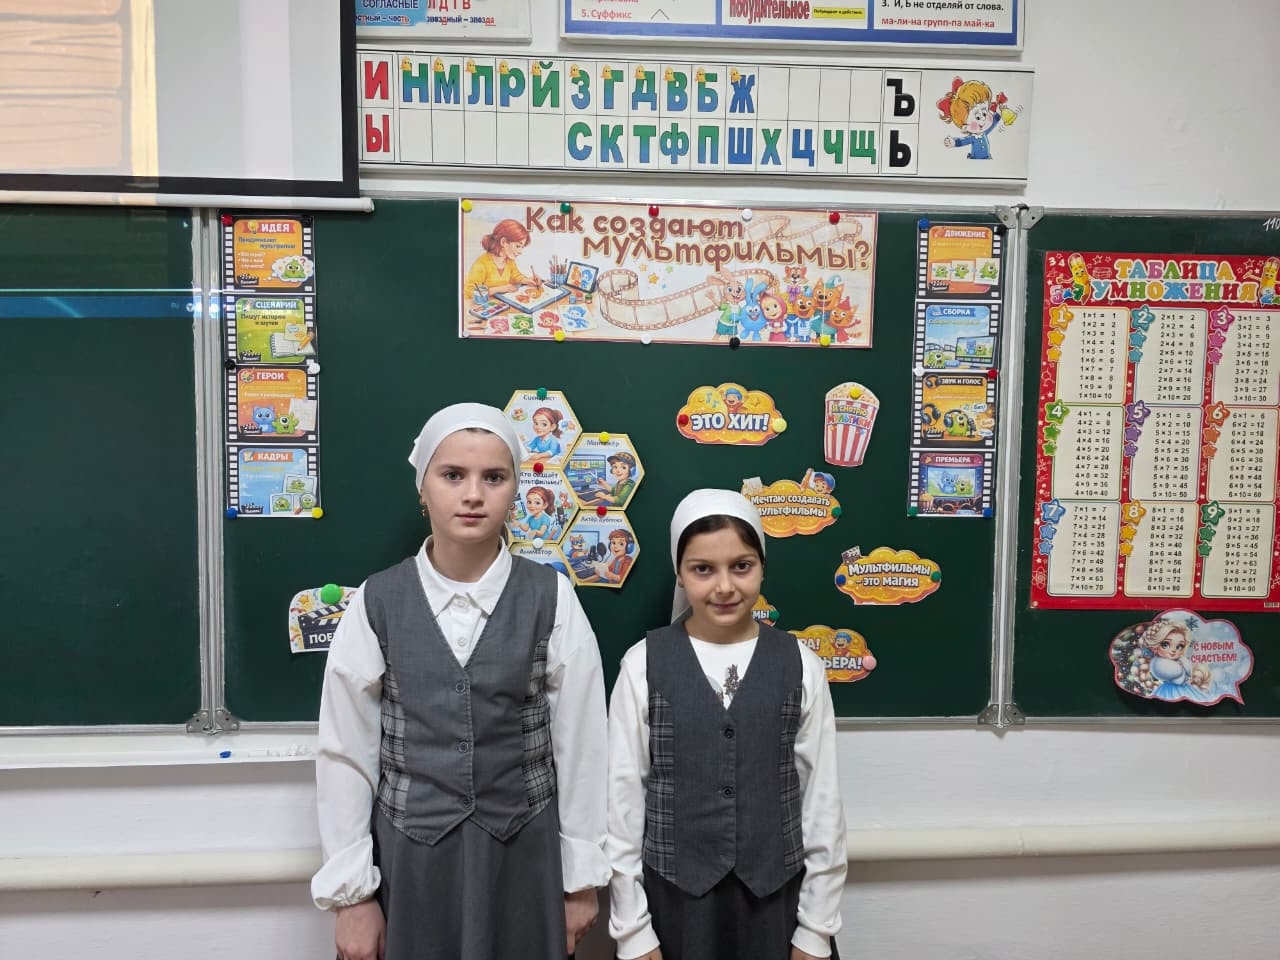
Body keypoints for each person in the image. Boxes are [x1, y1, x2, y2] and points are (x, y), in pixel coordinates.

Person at [312, 402, 609, 960]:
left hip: (524, 855)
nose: (473, 494)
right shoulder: (377, 602)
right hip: (411, 860)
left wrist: (581, 880)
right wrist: (353, 897)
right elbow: (345, 753)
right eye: (453, 475)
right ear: (422, 489)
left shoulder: (552, 599)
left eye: (493, 477)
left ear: (515, 490)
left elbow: (584, 745)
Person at [607, 489, 846, 960]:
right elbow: (622, 801)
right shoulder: (641, 664)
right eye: (703, 569)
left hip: (776, 905)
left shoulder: (801, 665)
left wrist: (816, 929)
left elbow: (822, 802)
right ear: (679, 573)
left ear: (762, 567)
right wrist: (632, 929)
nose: (724, 586)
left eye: (741, 566)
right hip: (674, 907)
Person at [464, 219, 540, 300]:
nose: (520, 252)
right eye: (518, 246)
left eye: (522, 247)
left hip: (504, 302)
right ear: (503, 242)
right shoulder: (481, 264)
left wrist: (527, 280)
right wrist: (500, 289)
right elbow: (469, 291)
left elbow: (515, 276)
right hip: (487, 304)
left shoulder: (509, 260)